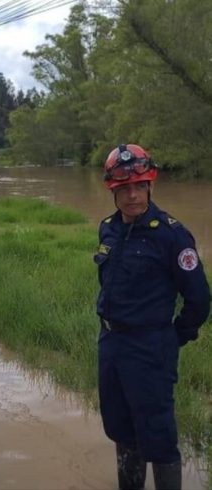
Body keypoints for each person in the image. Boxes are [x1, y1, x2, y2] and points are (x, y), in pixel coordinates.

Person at [95, 144, 210, 490]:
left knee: (157, 436)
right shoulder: (108, 229)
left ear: (150, 186)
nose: (133, 196)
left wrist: (174, 337)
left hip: (150, 348)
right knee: (120, 427)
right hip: (112, 343)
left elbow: (199, 300)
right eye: (124, 189)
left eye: (140, 186)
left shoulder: (172, 236)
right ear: (113, 192)